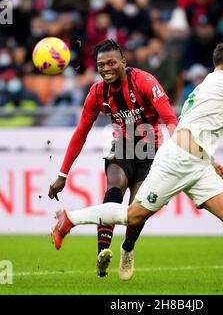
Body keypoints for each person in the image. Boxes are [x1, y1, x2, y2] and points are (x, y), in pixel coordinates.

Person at [51, 42, 223, 291]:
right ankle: (70, 219)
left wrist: (210, 160)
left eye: (110, 63)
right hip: (179, 159)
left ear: (123, 63)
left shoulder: (206, 83)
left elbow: (180, 122)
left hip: (193, 159)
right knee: (132, 215)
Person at [48, 39, 178, 280]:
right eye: (101, 64)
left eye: (111, 63)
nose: (106, 68)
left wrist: (176, 148)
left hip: (152, 151)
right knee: (114, 191)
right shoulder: (97, 93)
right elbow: (80, 133)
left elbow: (170, 118)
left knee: (138, 211)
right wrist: (63, 174)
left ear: (123, 63)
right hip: (123, 147)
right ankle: (102, 253)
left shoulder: (144, 81)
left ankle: (127, 249)